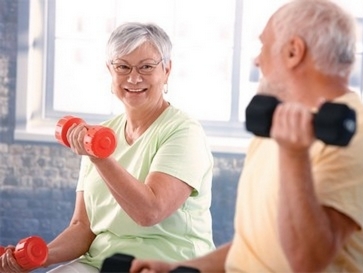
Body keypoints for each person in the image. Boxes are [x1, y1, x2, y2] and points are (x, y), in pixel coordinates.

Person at [129, 0, 363, 272]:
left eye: (264, 45)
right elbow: (251, 251)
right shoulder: (277, 128)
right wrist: (179, 269)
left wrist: (294, 155)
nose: (258, 60)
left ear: (294, 52)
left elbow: (307, 261)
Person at [0, 22, 215, 273]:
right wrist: (39, 258)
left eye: (146, 66)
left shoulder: (183, 131)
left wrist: (100, 158)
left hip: (167, 264)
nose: (134, 78)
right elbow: (82, 228)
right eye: (122, 67)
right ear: (110, 70)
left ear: (166, 70)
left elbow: (150, 212)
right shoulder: (100, 135)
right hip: (102, 263)